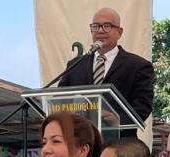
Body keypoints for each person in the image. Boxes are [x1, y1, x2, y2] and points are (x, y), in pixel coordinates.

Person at [57, 6, 154, 135]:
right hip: (81, 139)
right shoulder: (75, 65)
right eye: (96, 26)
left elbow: (143, 106)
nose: (100, 30)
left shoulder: (138, 66)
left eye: (107, 26)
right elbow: (61, 99)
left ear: (119, 32)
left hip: (119, 140)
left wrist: (119, 120)